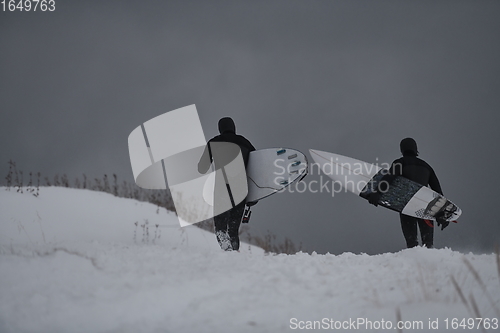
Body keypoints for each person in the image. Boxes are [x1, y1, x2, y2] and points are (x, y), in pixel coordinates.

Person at [368, 138, 448, 248]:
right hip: (425, 207)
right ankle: (431, 261)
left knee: (412, 243)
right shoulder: (427, 166)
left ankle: (414, 261)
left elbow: (389, 178)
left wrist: (377, 193)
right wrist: (442, 214)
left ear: (402, 149)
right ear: (416, 149)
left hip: (407, 206)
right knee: (428, 244)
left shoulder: (400, 162)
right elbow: (438, 191)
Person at [198, 117, 256, 251]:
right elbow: (256, 169)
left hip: (222, 188)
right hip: (241, 190)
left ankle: (228, 254)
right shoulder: (245, 143)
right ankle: (234, 255)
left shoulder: (214, 142)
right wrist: (254, 196)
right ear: (233, 127)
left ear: (220, 128)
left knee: (221, 229)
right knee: (233, 231)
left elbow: (202, 168)